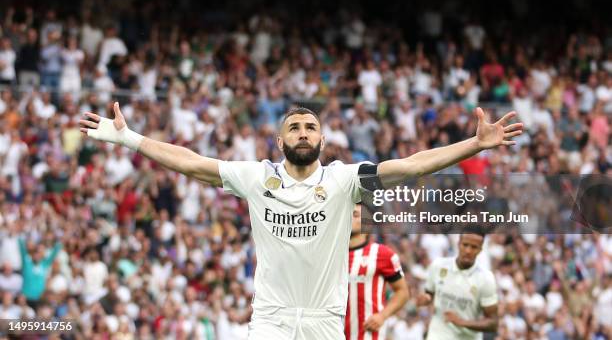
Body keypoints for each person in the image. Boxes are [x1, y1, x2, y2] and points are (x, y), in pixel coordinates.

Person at [79, 102, 522, 340]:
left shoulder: (345, 179)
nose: (303, 133)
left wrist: (473, 145)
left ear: (323, 139)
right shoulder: (258, 176)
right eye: (294, 127)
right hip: (270, 319)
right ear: (280, 139)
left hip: (324, 321)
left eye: (310, 127)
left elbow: (410, 166)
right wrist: (130, 138)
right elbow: (192, 163)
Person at [415, 232, 499, 340]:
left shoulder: (486, 278)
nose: (468, 251)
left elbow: (493, 323)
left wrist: (461, 322)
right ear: (458, 244)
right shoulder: (438, 265)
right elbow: (429, 294)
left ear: (480, 250)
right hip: (438, 334)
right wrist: (425, 299)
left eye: (474, 247)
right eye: (465, 245)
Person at [345, 204, 409, 340]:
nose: (348, 217)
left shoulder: (383, 254)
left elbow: (402, 292)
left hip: (367, 334)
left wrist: (382, 316)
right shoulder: (330, 255)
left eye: (355, 215)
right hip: (331, 333)